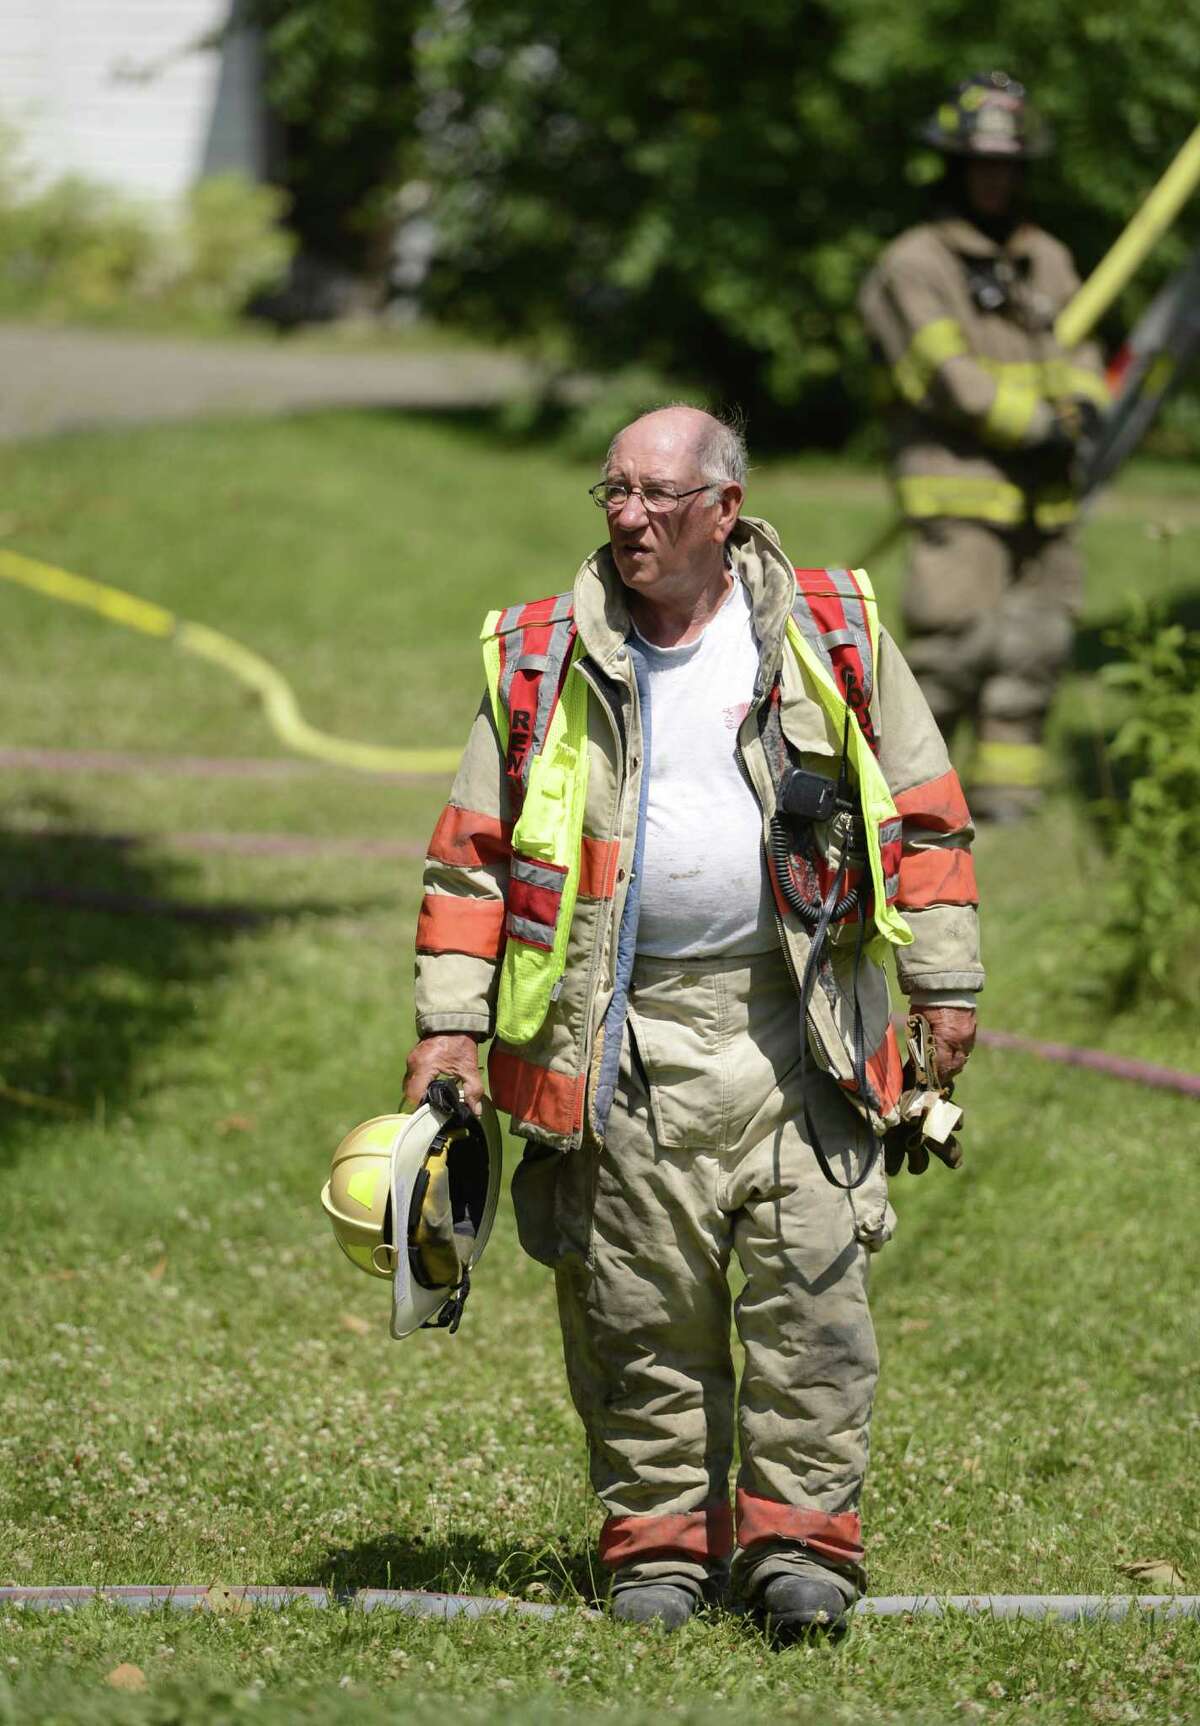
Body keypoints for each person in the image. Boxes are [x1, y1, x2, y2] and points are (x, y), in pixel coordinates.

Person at [403, 405, 983, 1639]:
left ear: (725, 507)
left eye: (659, 496)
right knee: (636, 1305)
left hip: (803, 1025)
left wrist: (947, 986)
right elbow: (472, 863)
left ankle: (801, 1552)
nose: (628, 518)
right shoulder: (541, 655)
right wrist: (451, 1027)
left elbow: (927, 818)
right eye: (612, 492)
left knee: (811, 1301)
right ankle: (658, 1553)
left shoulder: (834, 633)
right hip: (616, 1033)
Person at [859, 71, 1108, 821]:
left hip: (1046, 497)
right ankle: (910, 808)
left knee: (1034, 650)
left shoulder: (1049, 258)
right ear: (956, 166)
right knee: (950, 657)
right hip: (958, 490)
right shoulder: (916, 262)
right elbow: (949, 378)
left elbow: (1084, 352)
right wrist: (1033, 423)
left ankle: (1008, 803)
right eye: (981, 164)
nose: (995, 180)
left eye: (1008, 165)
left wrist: (1087, 407)